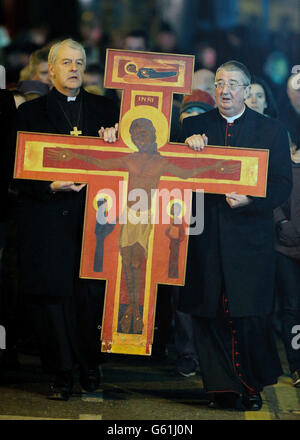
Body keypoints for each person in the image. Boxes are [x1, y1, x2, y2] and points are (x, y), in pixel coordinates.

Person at [47, 117, 238, 335]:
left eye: (143, 132)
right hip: (129, 217)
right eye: (135, 133)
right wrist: (74, 156)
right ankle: (131, 309)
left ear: (154, 134)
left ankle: (145, 317)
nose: (139, 137)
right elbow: (99, 164)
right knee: (127, 262)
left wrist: (217, 166)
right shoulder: (128, 158)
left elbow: (188, 173)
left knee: (147, 266)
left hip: (151, 217)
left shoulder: (163, 161)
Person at [179, 60, 292, 410]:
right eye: (219, 83)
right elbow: (171, 174)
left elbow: (281, 186)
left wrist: (251, 200)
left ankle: (251, 386)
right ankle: (221, 388)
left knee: (249, 315)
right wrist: (187, 145)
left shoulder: (270, 130)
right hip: (206, 239)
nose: (225, 90)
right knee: (208, 314)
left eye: (233, 84)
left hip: (249, 241)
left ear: (246, 90)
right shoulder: (194, 126)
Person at [14, 38, 119, 401]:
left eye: (80, 62)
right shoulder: (29, 114)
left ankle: (91, 367)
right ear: (52, 69)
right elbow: (14, 173)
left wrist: (116, 140)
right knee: (53, 301)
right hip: (48, 223)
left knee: (91, 298)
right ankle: (61, 373)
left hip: (96, 222)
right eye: (66, 63)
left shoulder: (108, 111)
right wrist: (49, 185)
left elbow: (133, 161)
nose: (74, 68)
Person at [273, 145, 300, 387]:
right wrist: (282, 222)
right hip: (284, 248)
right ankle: (296, 365)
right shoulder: (282, 161)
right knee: (291, 308)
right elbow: (270, 194)